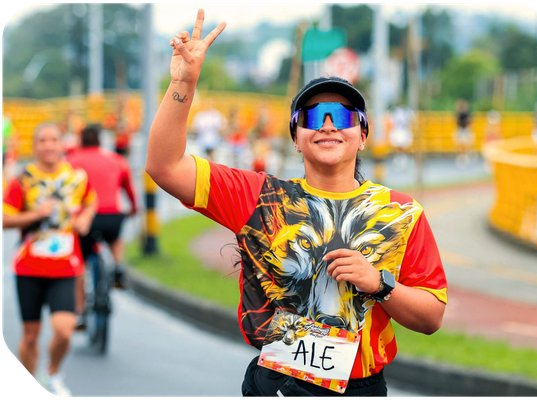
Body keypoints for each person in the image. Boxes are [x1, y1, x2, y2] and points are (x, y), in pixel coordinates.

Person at [146, 10, 447, 397]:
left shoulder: (402, 213)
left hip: (360, 388)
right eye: (311, 115)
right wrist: (183, 82)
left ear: (363, 135)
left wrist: (379, 284)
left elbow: (431, 317)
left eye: (341, 115)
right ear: (295, 136)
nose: (327, 124)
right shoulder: (260, 198)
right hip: (279, 383)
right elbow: (164, 165)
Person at [1, 123, 97, 397]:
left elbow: (91, 200)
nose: (48, 145)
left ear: (61, 144)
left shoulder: (77, 177)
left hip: (65, 267)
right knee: (30, 337)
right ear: (35, 146)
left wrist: (87, 218)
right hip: (29, 267)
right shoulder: (23, 179)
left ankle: (52, 372)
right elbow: (4, 218)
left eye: (53, 139)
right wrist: (36, 214)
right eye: (42, 140)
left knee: (65, 331)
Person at [66, 125, 138, 294]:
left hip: (84, 218)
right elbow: (129, 190)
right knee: (115, 238)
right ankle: (118, 264)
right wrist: (133, 209)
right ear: (100, 140)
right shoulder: (117, 159)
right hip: (112, 216)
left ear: (81, 140)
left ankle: (80, 310)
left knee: (80, 263)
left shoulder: (70, 161)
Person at [388, 105, 415, 170]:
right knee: (398, 145)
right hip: (397, 131)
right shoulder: (395, 113)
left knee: (402, 145)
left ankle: (402, 158)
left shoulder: (407, 112)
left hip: (403, 131)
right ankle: (399, 158)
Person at [453, 99, 475, 168]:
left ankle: (464, 157)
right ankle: (461, 157)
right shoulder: (460, 114)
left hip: (464, 130)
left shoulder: (466, 114)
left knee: (465, 145)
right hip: (461, 130)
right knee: (461, 145)